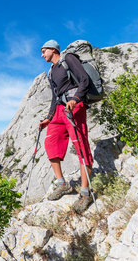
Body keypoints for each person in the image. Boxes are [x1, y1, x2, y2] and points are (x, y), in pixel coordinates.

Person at [38, 39, 94, 213]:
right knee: (51, 144)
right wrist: (48, 118)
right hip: (59, 111)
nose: (42, 55)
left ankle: (85, 193)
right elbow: (55, 97)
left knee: (81, 146)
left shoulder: (68, 58)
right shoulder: (51, 71)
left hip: (74, 106)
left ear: (53, 49)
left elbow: (84, 80)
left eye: (43, 51)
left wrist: (75, 100)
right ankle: (62, 184)